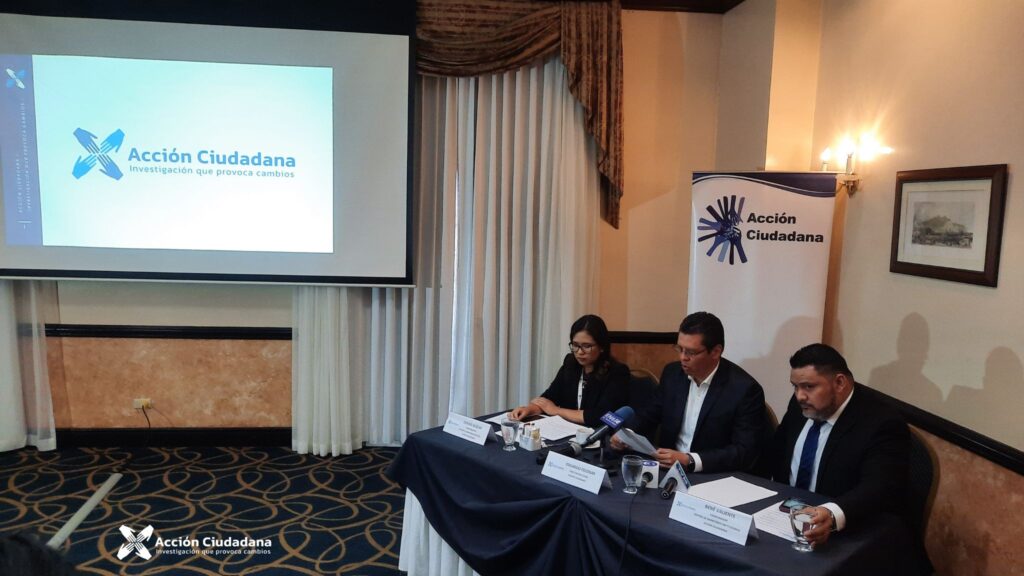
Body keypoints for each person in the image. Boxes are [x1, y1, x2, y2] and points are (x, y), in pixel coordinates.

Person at [760, 343, 911, 549]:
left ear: (839, 383)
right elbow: (775, 452)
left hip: (851, 533)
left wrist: (832, 514)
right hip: (786, 519)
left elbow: (878, 488)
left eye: (809, 387)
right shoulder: (800, 405)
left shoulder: (881, 423)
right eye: (795, 386)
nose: (799, 396)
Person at [611, 311, 766, 473]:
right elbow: (650, 413)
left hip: (713, 474)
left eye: (691, 352)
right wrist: (627, 434)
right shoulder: (673, 374)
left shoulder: (744, 389)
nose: (682, 358)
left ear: (715, 351)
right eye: (680, 349)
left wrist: (690, 460)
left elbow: (744, 452)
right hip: (667, 470)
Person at [510, 314, 630, 429]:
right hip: (566, 431)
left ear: (602, 347)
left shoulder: (618, 372)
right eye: (575, 345)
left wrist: (556, 411)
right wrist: (529, 410)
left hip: (598, 436)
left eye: (587, 346)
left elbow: (601, 416)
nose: (579, 352)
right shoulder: (571, 364)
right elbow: (550, 397)